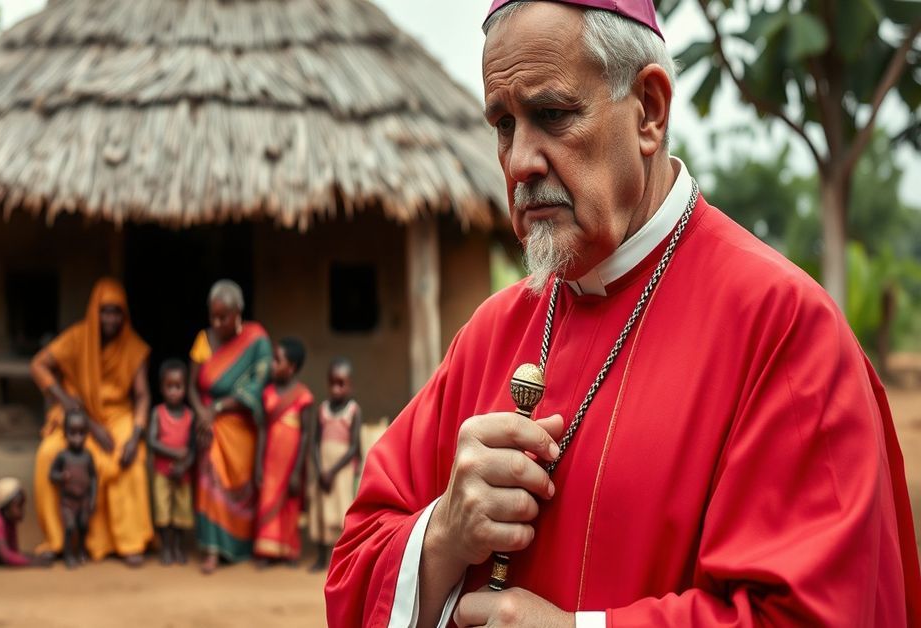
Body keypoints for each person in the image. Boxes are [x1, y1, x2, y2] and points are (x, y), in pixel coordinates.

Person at [324, 1, 921, 626]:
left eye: (552, 115)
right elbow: (354, 562)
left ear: (649, 112)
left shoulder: (783, 330)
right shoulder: (490, 333)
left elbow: (814, 614)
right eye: (504, 125)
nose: (521, 160)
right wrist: (444, 534)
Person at [31, 278, 154, 565]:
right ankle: (58, 540)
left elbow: (143, 396)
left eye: (116, 312)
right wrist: (66, 401)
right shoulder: (75, 339)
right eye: (105, 311)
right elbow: (38, 365)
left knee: (130, 460)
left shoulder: (134, 348)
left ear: (125, 315)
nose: (110, 319)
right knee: (48, 455)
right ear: (94, 311)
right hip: (76, 416)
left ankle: (129, 542)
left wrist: (135, 435)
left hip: (118, 415)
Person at [188, 279, 272, 574]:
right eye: (213, 315)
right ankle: (211, 549)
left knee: (240, 485)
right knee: (209, 477)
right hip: (209, 424)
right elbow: (192, 388)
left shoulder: (257, 340)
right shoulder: (203, 340)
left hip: (241, 426)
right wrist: (202, 414)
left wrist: (218, 408)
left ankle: (236, 545)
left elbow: (257, 385)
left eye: (223, 316)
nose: (216, 322)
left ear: (238, 313)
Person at [253, 337, 315, 567]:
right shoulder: (267, 393)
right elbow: (261, 430)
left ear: (291, 368)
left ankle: (287, 550)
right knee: (267, 501)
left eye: (277, 361)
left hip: (291, 464)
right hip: (270, 461)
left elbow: (306, 434)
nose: (272, 364)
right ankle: (267, 550)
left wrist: (299, 469)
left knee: (289, 505)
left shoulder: (303, 397)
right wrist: (258, 463)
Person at [309, 357, 361, 574]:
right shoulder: (322, 409)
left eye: (341, 383)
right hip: (323, 468)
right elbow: (314, 442)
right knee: (320, 509)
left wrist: (333, 471)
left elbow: (353, 447)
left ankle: (339, 559)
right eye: (332, 383)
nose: (336, 388)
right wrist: (321, 469)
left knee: (341, 510)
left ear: (350, 385)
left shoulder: (353, 410)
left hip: (341, 469)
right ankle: (321, 557)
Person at [147, 358, 196, 566]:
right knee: (163, 511)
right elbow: (151, 441)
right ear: (161, 388)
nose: (174, 392)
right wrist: (175, 454)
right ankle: (166, 548)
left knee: (181, 513)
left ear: (185, 387)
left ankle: (177, 547)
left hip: (182, 474)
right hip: (162, 473)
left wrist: (185, 464)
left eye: (178, 386)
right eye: (169, 387)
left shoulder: (191, 416)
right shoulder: (157, 413)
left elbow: (193, 449)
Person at [48, 409, 97, 569]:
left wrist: (93, 498)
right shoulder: (63, 456)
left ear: (87, 434)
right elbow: (51, 474)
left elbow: (94, 477)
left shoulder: (87, 456)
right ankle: (68, 554)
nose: (77, 438)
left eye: (81, 433)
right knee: (70, 527)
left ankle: (81, 551)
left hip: (83, 500)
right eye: (72, 433)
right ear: (65, 433)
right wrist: (60, 476)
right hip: (68, 501)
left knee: (83, 525)